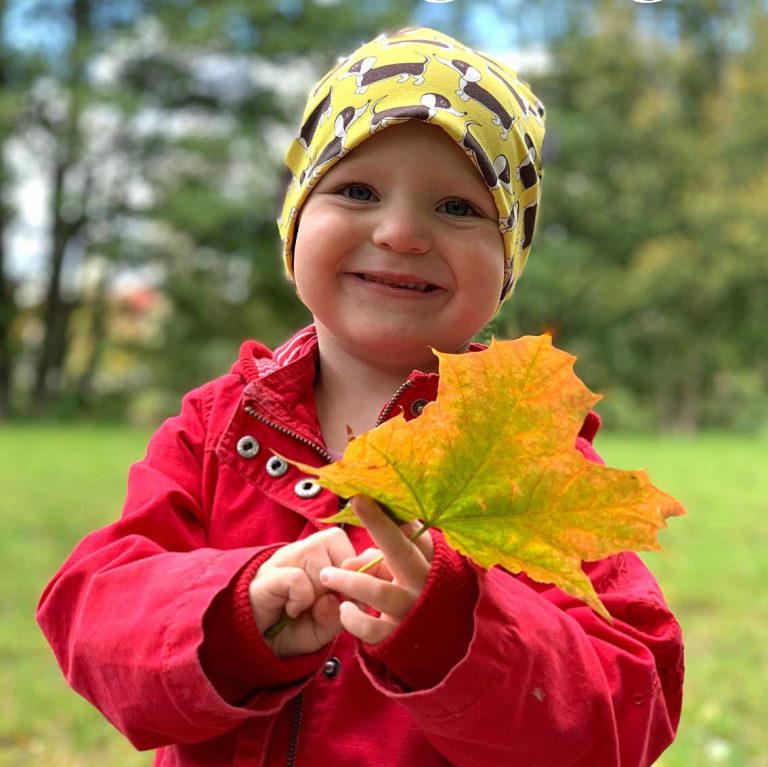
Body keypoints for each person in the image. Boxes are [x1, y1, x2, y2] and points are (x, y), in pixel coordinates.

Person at [37, 26, 684, 767]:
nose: (402, 231)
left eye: (459, 207)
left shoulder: (524, 447)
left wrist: (460, 634)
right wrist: (236, 609)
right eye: (357, 191)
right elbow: (90, 614)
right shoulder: (218, 429)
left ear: (507, 261)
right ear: (295, 220)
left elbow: (632, 704)